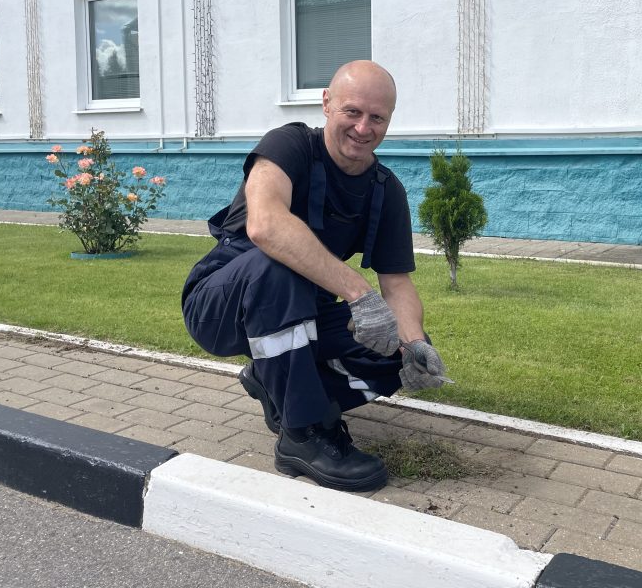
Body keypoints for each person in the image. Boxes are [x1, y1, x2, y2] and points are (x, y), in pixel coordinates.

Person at [181, 60, 449, 492]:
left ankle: (279, 387)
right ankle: (302, 435)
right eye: (352, 112)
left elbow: (397, 283)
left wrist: (415, 343)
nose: (363, 128)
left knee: (396, 349)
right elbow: (265, 225)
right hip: (221, 304)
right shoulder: (288, 145)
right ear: (327, 103)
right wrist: (359, 294)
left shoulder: (385, 190)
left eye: (377, 118)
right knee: (277, 266)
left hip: (303, 313)